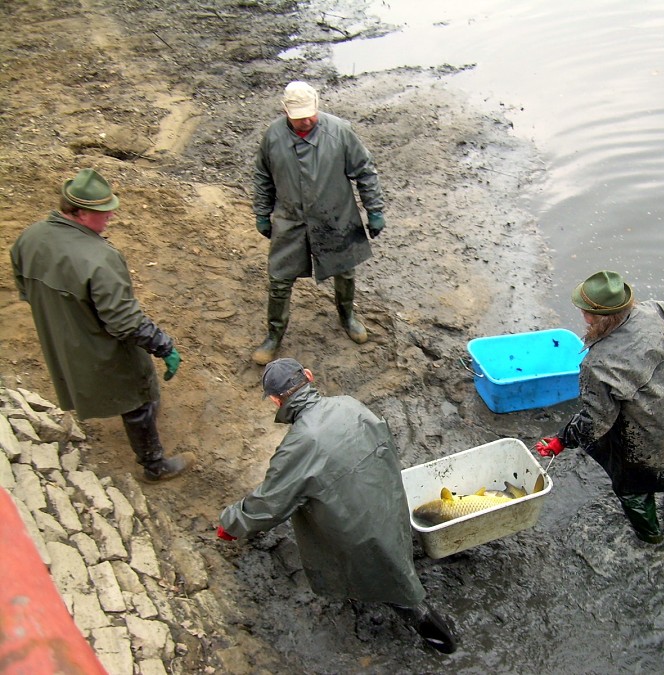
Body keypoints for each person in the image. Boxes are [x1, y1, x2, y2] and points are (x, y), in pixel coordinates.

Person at [216, 358, 456, 654]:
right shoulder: (349, 404)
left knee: (397, 586)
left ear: (276, 401)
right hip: (389, 504)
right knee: (395, 556)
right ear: (308, 376)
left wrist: (231, 523)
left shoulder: (298, 444)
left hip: (358, 532)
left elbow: (270, 503)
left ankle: (435, 633)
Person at [10, 168, 193, 482]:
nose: (111, 216)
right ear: (79, 213)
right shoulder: (100, 257)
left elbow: (24, 287)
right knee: (135, 394)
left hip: (60, 333)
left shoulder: (30, 236)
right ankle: (154, 465)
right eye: (103, 212)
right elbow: (125, 323)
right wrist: (164, 346)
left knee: (123, 389)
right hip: (101, 345)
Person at [534, 271, 664, 544]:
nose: (583, 316)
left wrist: (561, 440)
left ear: (591, 316)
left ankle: (652, 539)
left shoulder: (598, 364)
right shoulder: (653, 313)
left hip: (642, 445)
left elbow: (595, 422)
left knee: (633, 492)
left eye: (584, 311)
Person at [251, 80, 386, 364]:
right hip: (290, 219)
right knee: (278, 279)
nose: (306, 121)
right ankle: (274, 334)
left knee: (345, 272)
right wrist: (262, 214)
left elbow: (365, 171)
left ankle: (347, 316)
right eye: (298, 117)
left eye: (310, 114)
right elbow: (262, 177)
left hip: (334, 216)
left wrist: (374, 209)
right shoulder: (273, 137)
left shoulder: (339, 132)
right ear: (286, 112)